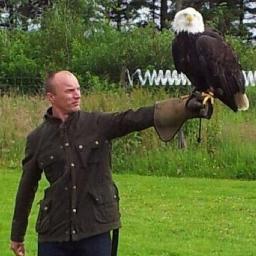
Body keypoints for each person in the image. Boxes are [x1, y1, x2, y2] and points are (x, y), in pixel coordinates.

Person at [10, 70, 212, 256]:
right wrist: (17, 235)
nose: (77, 94)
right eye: (70, 91)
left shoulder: (97, 123)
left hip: (95, 229)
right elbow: (27, 187)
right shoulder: (37, 139)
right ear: (51, 97)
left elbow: (133, 118)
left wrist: (183, 108)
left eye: (78, 89)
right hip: (54, 233)